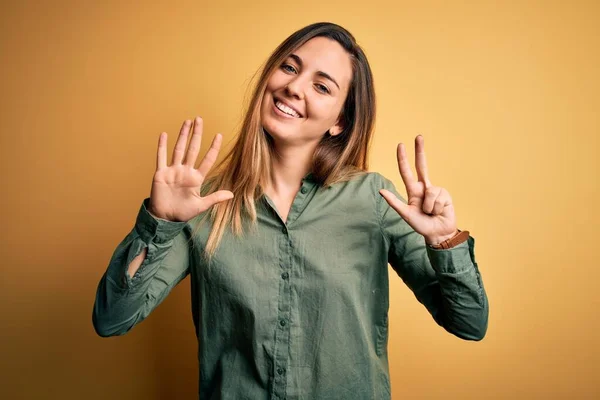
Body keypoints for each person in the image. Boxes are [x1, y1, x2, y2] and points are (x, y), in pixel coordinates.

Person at [92, 21, 489, 400]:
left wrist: (444, 240)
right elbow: (112, 318)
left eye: (321, 86)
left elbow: (469, 324)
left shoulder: (374, 200)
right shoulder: (204, 205)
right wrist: (159, 223)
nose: (294, 87)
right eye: (289, 67)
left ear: (339, 121)